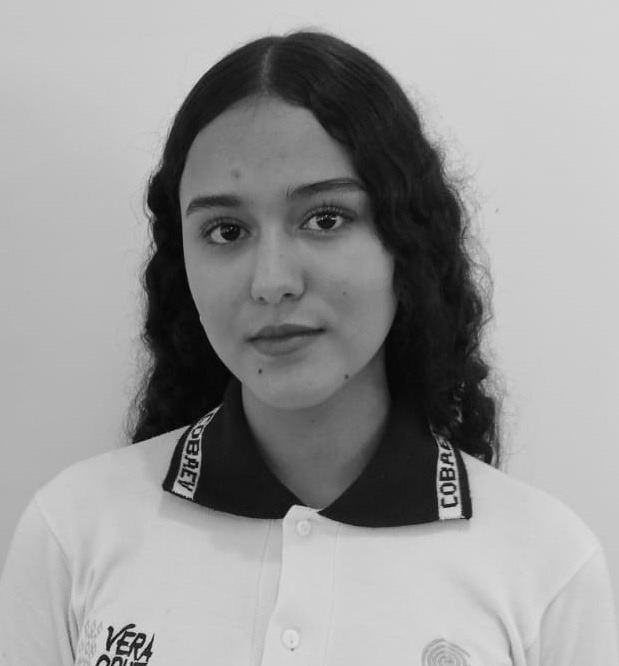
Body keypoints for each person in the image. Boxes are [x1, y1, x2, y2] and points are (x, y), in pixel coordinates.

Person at [0, 28, 617, 666]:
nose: (272, 281)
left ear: (407, 241)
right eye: (226, 230)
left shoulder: (548, 570)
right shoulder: (72, 534)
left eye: (325, 219)